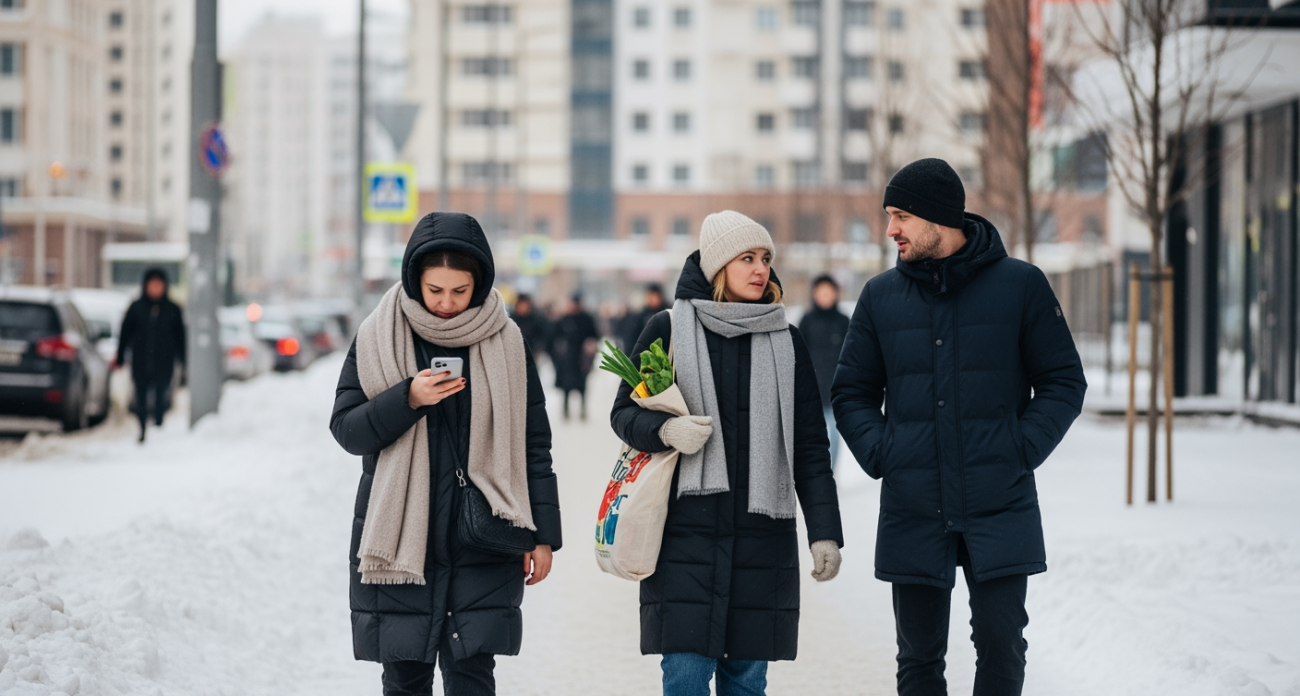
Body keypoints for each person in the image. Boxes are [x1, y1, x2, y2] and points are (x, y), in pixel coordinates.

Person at [832, 159, 1087, 696]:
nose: (890, 230)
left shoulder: (1021, 286)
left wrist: (1019, 449)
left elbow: (1063, 381)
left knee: (1001, 644)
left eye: (900, 215)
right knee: (919, 658)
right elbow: (851, 391)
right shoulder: (880, 298)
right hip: (914, 502)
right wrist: (885, 453)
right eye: (889, 216)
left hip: (1000, 500)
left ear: (938, 217)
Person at [610, 210, 844, 696]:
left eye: (764, 259)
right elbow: (623, 415)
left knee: (746, 684)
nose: (761, 269)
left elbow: (810, 449)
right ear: (718, 266)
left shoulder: (786, 339)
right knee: (687, 680)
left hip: (762, 542)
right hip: (683, 543)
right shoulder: (667, 329)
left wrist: (825, 533)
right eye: (746, 259)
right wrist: (668, 430)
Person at [330, 212, 562, 696]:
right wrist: (407, 399)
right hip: (401, 539)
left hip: (483, 536)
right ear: (416, 279)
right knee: (404, 680)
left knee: (472, 681)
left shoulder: (507, 341)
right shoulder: (379, 336)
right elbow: (348, 430)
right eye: (435, 290)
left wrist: (543, 536)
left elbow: (534, 446)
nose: (446, 304)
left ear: (479, 285)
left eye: (460, 291)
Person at [114, 267, 185, 443]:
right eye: (152, 284)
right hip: (140, 361)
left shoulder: (172, 309)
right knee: (141, 397)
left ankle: (159, 430)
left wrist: (183, 360)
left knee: (162, 396)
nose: (155, 288)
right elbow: (125, 333)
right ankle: (143, 430)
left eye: (158, 285)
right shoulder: (136, 307)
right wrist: (121, 356)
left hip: (164, 362)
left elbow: (180, 337)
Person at [797, 274, 850, 467]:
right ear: (814, 294)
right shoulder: (807, 320)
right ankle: (815, 471)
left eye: (829, 292)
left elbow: (853, 354)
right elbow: (798, 354)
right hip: (812, 390)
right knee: (812, 435)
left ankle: (830, 471)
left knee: (834, 436)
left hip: (836, 390)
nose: (825, 296)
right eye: (821, 292)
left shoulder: (844, 321)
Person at [549, 293, 600, 420]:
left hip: (582, 358)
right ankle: (565, 410)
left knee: (582, 385)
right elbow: (553, 337)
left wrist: (590, 344)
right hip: (567, 359)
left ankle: (583, 409)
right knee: (566, 386)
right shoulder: (564, 319)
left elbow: (594, 335)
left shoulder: (586, 319)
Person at [618, 283, 665, 353]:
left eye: (655, 296)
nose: (654, 299)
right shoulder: (642, 315)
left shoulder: (666, 312)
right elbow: (634, 337)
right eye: (651, 296)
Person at [510, 293, 549, 359]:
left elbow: (542, 336)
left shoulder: (537, 319)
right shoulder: (512, 319)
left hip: (532, 351)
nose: (522, 307)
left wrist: (538, 348)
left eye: (524, 305)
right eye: (520, 305)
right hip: (515, 352)